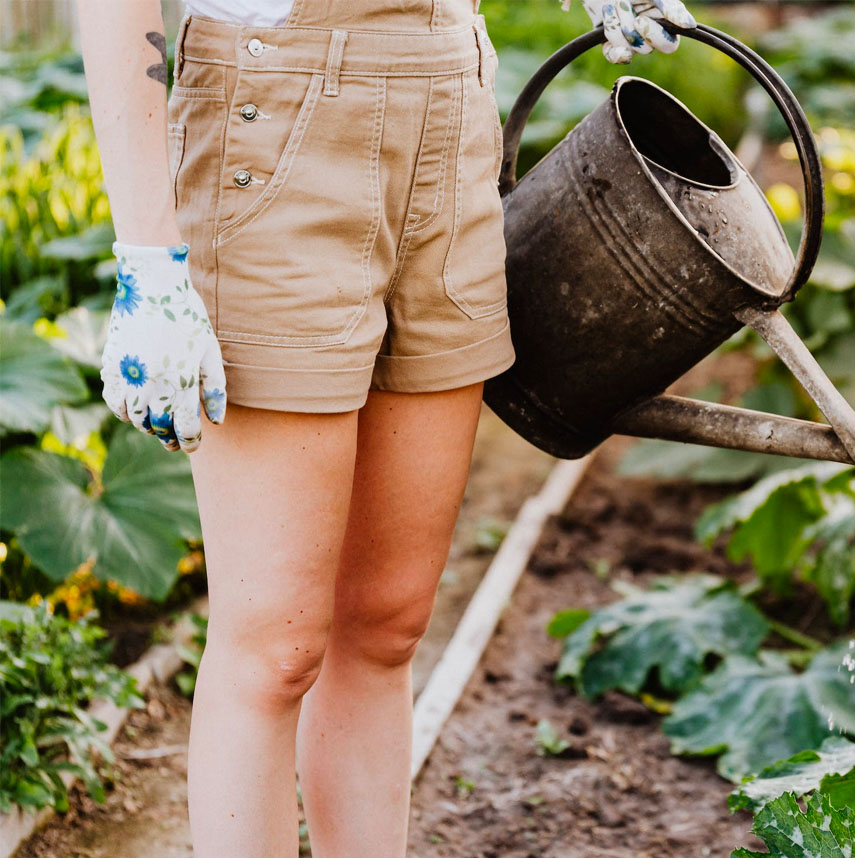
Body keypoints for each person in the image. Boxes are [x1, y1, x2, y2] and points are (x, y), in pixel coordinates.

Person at [74, 0, 695, 855]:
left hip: (449, 100)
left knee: (388, 622)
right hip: (277, 119)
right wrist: (147, 257)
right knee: (276, 646)